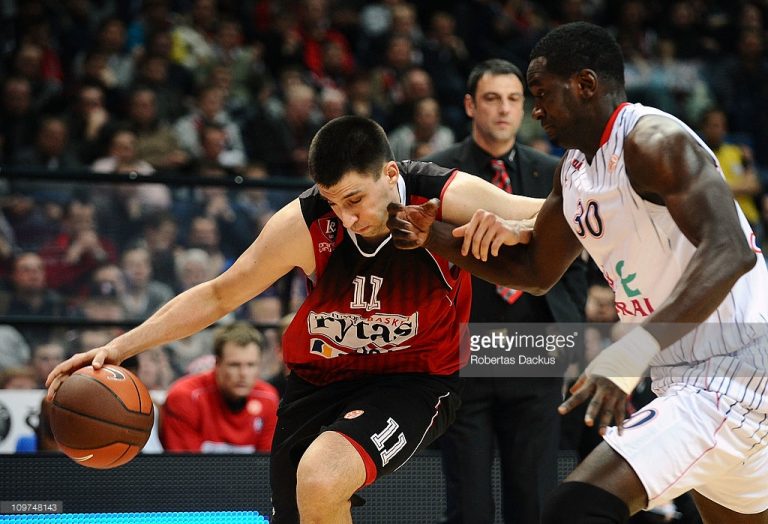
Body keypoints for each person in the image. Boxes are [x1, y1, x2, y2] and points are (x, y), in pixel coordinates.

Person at [46, 115, 543, 523]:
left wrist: (515, 227)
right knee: (302, 509)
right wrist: (119, 347)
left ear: (391, 173)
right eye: (333, 202)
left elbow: (549, 215)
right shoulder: (306, 223)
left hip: (414, 378)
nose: (346, 217)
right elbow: (219, 294)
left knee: (322, 477)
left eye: (355, 199)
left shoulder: (443, 195)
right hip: (320, 380)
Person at [387, 22, 768, 524]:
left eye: (542, 93)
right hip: (680, 373)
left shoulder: (654, 141)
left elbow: (731, 251)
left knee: (574, 508)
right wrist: (430, 237)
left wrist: (631, 351)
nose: (536, 110)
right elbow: (534, 270)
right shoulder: (573, 172)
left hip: (734, 367)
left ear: (585, 84)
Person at [422, 58, 587, 524]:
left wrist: (571, 335)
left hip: (536, 351)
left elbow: (575, 263)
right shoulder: (437, 171)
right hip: (463, 352)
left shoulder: (552, 171)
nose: (504, 109)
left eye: (514, 99)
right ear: (470, 105)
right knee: (469, 505)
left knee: (533, 500)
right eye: (492, 99)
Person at [160, 322, 278, 453]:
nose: (243, 374)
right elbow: (186, 463)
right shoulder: (186, 397)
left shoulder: (268, 399)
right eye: (234, 365)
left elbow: (267, 461)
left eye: (251, 365)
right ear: (217, 364)